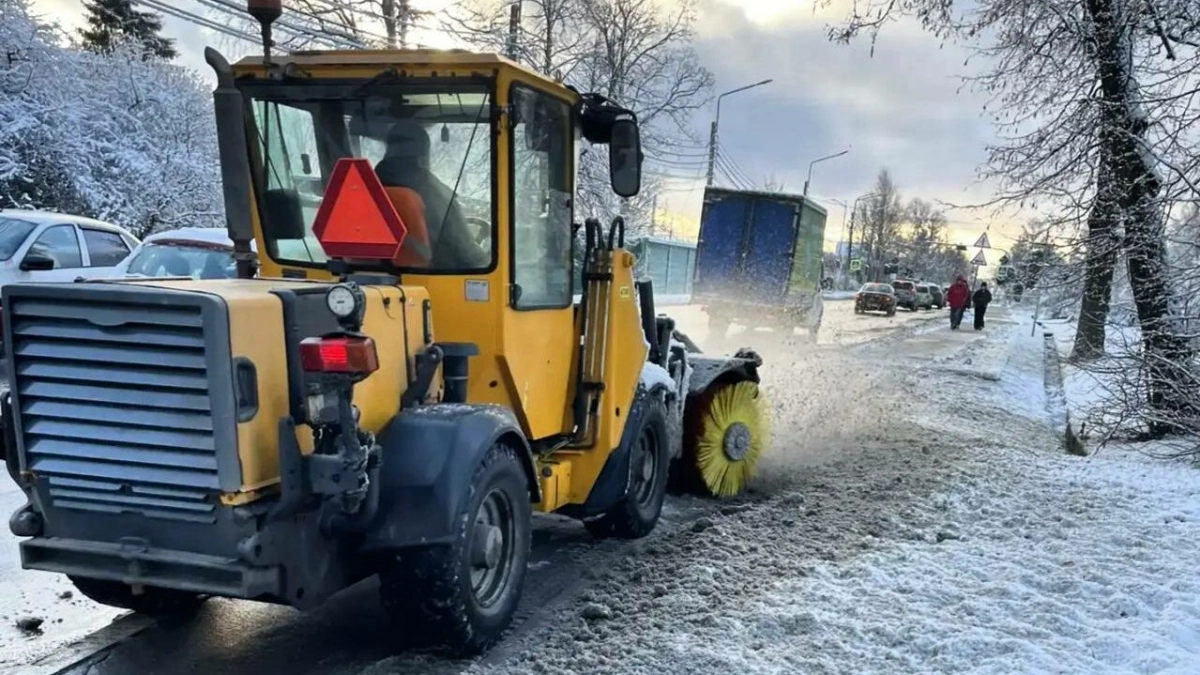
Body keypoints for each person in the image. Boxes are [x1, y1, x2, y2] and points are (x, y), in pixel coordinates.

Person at [373, 119, 489, 270]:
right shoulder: (434, 193)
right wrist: (485, 260)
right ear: (423, 155)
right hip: (435, 279)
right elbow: (466, 252)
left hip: (367, 282)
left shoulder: (364, 188)